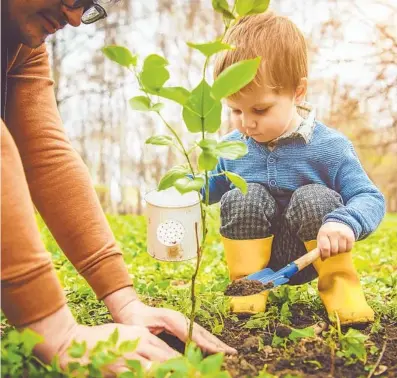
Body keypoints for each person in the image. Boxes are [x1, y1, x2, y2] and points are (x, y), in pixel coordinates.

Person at [1, 0, 236, 373]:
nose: (75, 18)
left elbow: (45, 153)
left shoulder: (20, 44)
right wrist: (55, 330)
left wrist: (125, 302)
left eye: (88, 5)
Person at [208, 11, 385, 325]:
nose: (246, 123)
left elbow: (370, 198)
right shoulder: (233, 146)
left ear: (298, 92)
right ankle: (248, 290)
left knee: (313, 197)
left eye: (260, 109)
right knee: (241, 195)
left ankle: (342, 290)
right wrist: (182, 192)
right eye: (235, 110)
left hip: (315, 253)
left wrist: (345, 223)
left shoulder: (330, 147)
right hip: (257, 255)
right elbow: (211, 185)